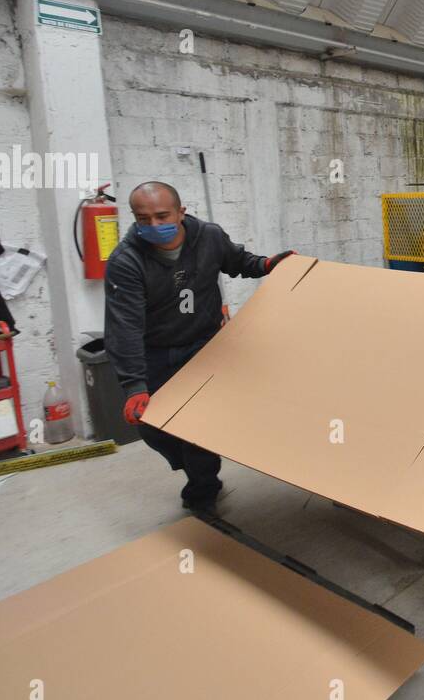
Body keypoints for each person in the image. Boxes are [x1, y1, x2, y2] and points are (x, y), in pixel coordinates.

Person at [104, 181, 294, 513]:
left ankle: (203, 486)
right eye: (143, 218)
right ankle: (194, 462)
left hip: (205, 346)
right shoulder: (127, 261)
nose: (154, 225)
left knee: (197, 425)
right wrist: (134, 384)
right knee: (154, 428)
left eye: (163, 216)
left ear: (181, 212)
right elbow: (125, 326)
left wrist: (265, 265)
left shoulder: (208, 236)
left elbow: (237, 261)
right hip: (157, 351)